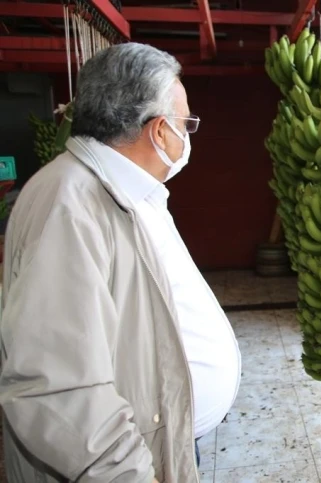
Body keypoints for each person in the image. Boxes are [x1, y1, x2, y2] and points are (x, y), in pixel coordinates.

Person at [0, 43, 241, 482]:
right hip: (133, 463)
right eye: (186, 123)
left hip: (166, 440)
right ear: (158, 130)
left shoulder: (128, 189)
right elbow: (55, 391)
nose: (188, 137)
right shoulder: (70, 207)